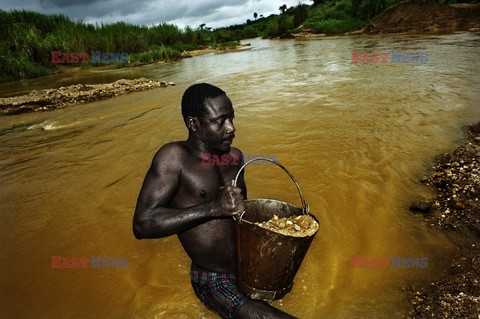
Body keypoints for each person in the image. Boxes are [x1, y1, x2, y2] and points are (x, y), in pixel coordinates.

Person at [133, 83, 296, 319]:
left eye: (231, 118)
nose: (231, 128)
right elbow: (142, 224)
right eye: (220, 122)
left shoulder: (235, 157)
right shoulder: (175, 158)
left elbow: (241, 219)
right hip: (212, 278)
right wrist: (213, 208)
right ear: (194, 124)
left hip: (245, 269)